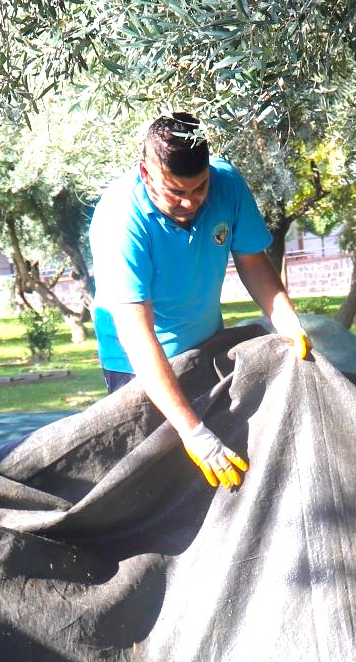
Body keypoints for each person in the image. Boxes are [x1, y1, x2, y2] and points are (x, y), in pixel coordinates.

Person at [88, 114, 312, 490]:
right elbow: (137, 335)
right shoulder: (119, 221)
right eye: (176, 192)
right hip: (135, 365)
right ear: (146, 172)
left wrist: (288, 322)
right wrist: (194, 434)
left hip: (206, 345)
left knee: (227, 473)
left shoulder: (227, 184)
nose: (190, 201)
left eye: (199, 187)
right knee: (159, 483)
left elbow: (254, 262)